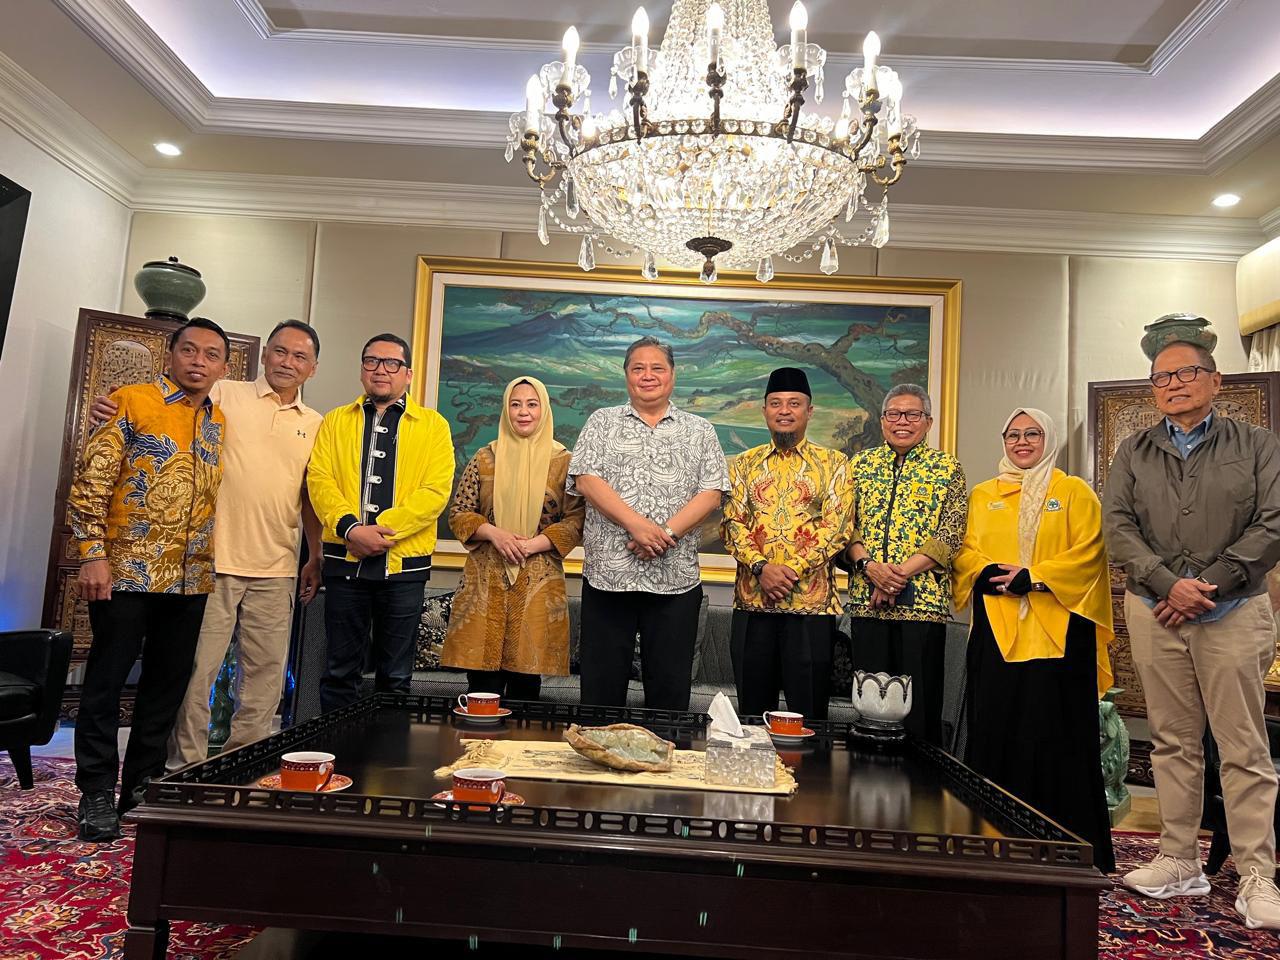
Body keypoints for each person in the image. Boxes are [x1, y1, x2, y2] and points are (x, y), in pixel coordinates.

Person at [92, 319, 325, 769]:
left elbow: (310, 496)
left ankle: (244, 767)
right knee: (196, 676)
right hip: (207, 564)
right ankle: (185, 769)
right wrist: (113, 406)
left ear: (312, 369)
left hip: (276, 568)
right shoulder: (224, 393)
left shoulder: (316, 424)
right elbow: (164, 401)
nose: (287, 362)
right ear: (264, 355)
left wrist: (314, 555)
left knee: (264, 682)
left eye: (300, 356)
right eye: (280, 351)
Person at [1104, 339, 1280, 928]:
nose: (1174, 384)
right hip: (1155, 611)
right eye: (1162, 377)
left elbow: (1273, 522)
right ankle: (1179, 858)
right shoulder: (1134, 450)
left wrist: (1207, 583)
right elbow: (1118, 526)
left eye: (1187, 373)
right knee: (1172, 742)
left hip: (1233, 611)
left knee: (1244, 748)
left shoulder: (1256, 444)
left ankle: (1257, 874)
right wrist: (1166, 583)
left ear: (1216, 379)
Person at [68, 317, 229, 841]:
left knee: (165, 687)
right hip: (126, 572)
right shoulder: (130, 401)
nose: (198, 361)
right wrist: (92, 555)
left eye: (211, 354)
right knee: (106, 681)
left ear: (224, 368)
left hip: (190, 577)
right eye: (190, 350)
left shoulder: (218, 421)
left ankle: (141, 784)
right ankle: (95, 791)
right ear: (170, 354)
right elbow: (90, 484)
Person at [953, 407, 1116, 873]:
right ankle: (991, 841)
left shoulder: (1073, 492)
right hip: (998, 628)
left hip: (1059, 633)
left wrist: (1037, 576)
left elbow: (1090, 551)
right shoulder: (983, 494)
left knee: (1055, 735)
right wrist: (984, 571)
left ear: (1050, 439)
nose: (1022, 442)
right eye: (1013, 435)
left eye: (1033, 434)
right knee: (996, 728)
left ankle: (1067, 847)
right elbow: (964, 550)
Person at [567, 336, 729, 711]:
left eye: (657, 367)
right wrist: (637, 526)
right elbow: (586, 480)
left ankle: (666, 750)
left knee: (669, 696)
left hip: (675, 581)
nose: (647, 375)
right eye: (638, 368)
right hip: (609, 578)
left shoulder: (700, 430)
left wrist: (665, 534)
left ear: (673, 375)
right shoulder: (601, 422)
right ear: (626, 375)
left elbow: (712, 493)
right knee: (601, 695)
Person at [307, 333, 455, 712]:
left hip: (404, 568)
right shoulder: (335, 421)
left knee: (396, 678)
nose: (381, 370)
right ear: (362, 370)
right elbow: (319, 480)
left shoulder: (433, 426)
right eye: (372, 361)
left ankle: (389, 751)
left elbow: (435, 492)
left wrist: (381, 531)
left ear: (408, 374)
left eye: (392, 363)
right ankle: (338, 748)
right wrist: (351, 529)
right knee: (339, 672)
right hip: (344, 563)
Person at [721, 367, 854, 720]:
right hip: (753, 603)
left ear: (809, 411)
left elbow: (837, 526)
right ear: (764, 410)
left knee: (809, 718)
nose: (784, 410)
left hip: (810, 608)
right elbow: (732, 522)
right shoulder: (743, 464)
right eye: (776, 403)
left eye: (794, 403)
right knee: (752, 718)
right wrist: (762, 568)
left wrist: (790, 571)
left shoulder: (834, 464)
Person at [440, 377, 585, 699]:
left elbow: (576, 520)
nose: (523, 412)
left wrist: (532, 545)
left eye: (532, 404)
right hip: (485, 581)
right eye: (515, 404)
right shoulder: (485, 457)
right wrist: (495, 534)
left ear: (544, 410)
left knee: (526, 688)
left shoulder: (564, 462)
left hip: (538, 580)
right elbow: (459, 513)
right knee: (481, 688)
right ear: (506, 409)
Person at [843, 383, 967, 745]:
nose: (902, 421)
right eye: (894, 414)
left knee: (919, 707)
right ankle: (866, 777)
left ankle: (920, 780)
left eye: (912, 414)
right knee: (868, 703)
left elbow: (951, 533)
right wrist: (871, 569)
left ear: (928, 422)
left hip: (923, 606)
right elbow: (844, 526)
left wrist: (896, 577)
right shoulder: (859, 465)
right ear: (882, 420)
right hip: (868, 602)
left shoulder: (947, 468)